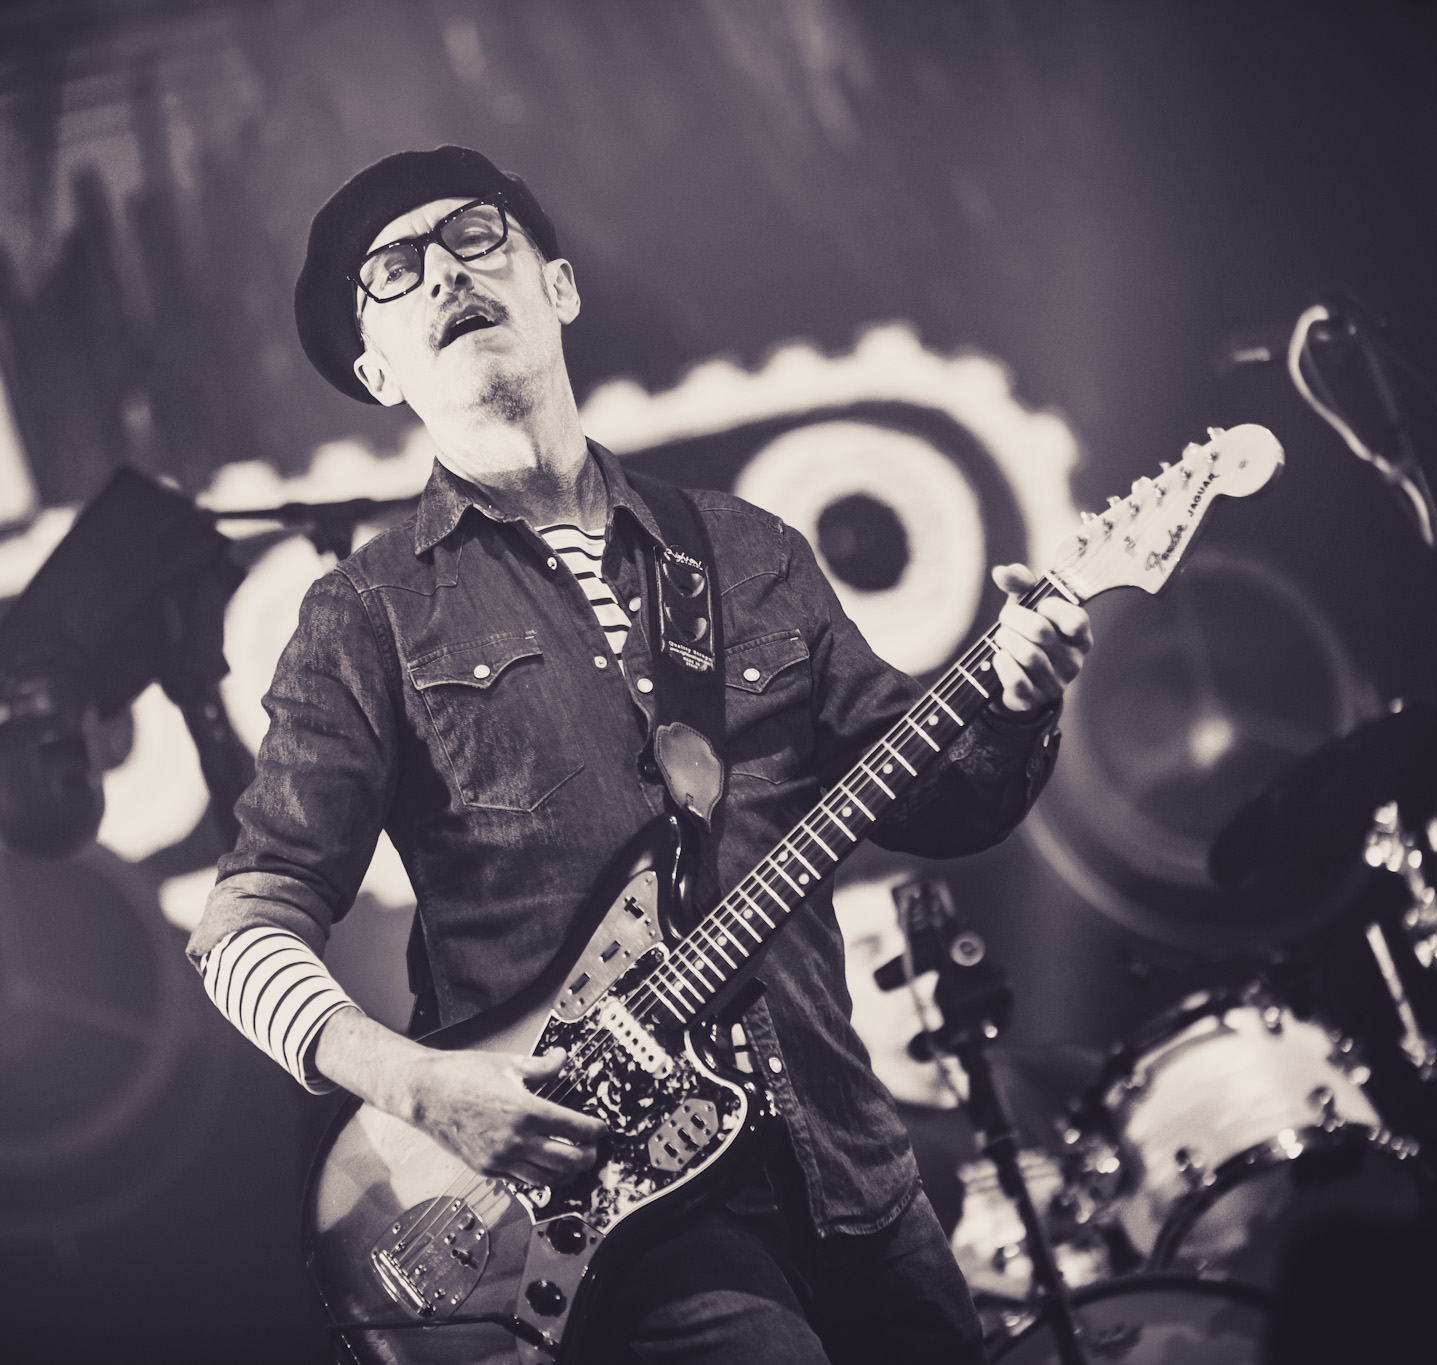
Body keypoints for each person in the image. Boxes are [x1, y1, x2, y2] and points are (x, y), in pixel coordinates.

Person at [185, 146, 1091, 1364]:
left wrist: (1017, 701)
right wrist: (419, 1088)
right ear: (375, 369)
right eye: (393, 271)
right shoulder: (367, 614)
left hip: (847, 1160)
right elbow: (241, 931)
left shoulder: (747, 551)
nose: (444, 273)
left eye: (474, 236)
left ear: (557, 288)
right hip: (622, 1226)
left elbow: (942, 800)